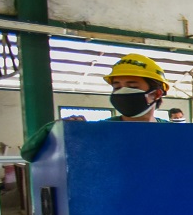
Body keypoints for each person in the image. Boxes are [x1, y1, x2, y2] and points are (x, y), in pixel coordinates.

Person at [20, 53, 171, 161]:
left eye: (132, 86)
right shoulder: (97, 132)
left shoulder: (174, 133)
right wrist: (58, 130)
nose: (122, 92)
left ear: (156, 94)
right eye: (117, 87)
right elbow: (30, 154)